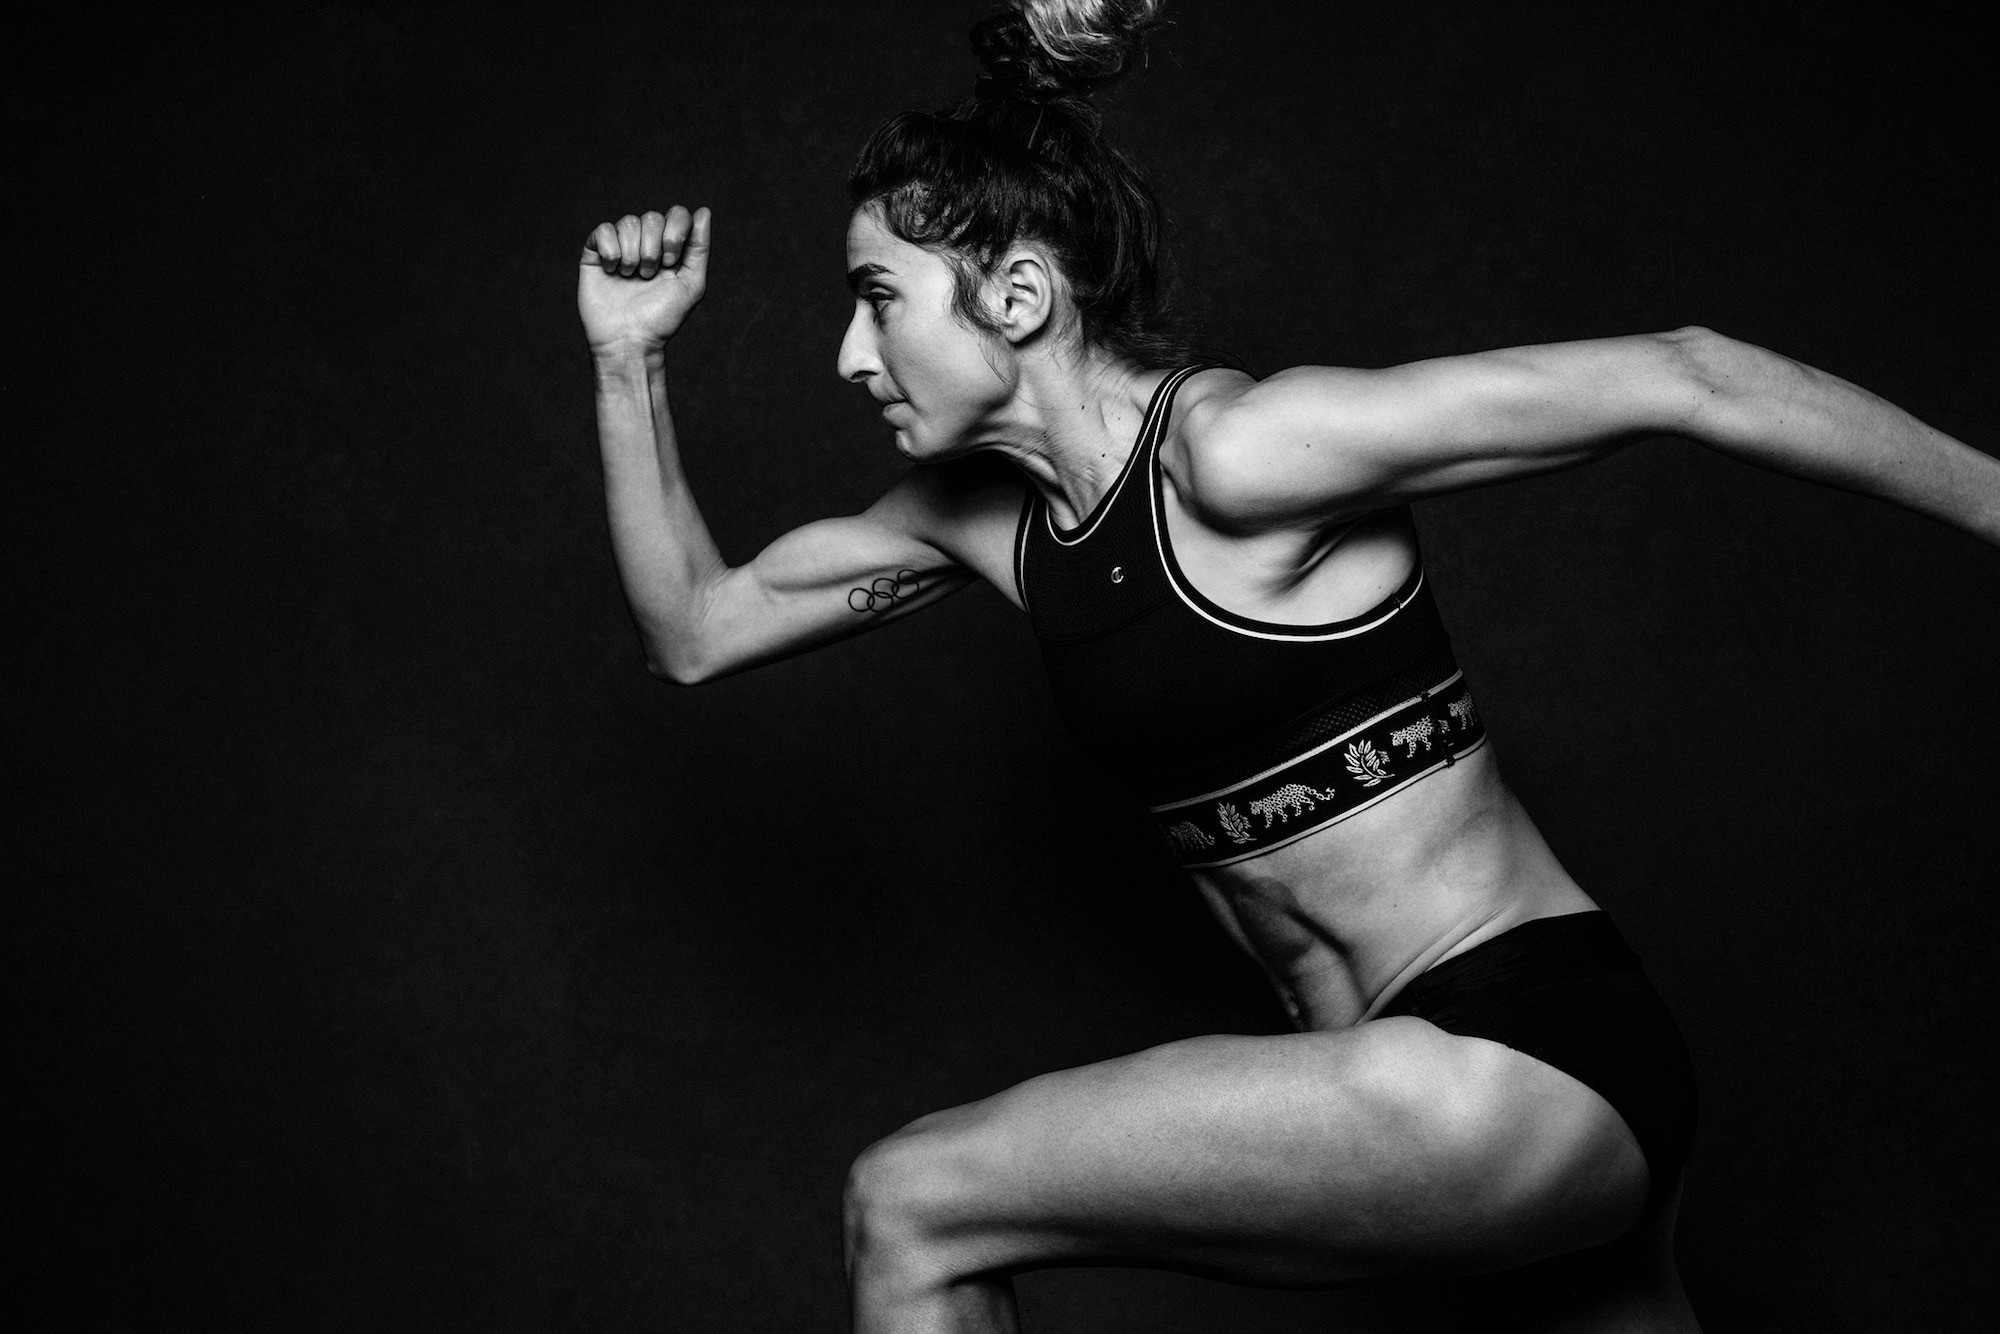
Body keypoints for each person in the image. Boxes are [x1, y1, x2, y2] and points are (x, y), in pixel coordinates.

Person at [575, 3, 1999, 1329]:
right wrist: (628, 360)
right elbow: (695, 632)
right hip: (1436, 1090)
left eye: (877, 298)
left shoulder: (1241, 457)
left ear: (1015, 294)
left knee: (913, 1201)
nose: (848, 354)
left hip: (1517, 1057)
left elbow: (1690, 374)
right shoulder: (985, 524)